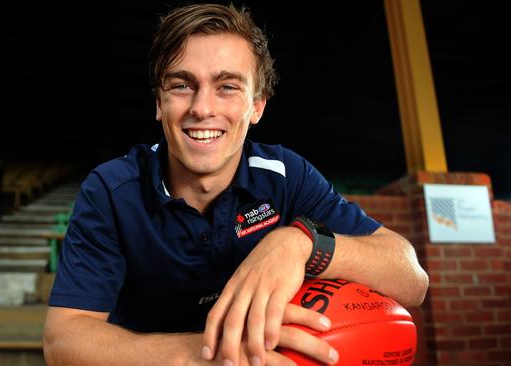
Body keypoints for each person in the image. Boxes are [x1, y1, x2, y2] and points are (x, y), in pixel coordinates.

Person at [43, 3, 429, 366]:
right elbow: (63, 340)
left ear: (257, 105)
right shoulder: (112, 189)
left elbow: (412, 280)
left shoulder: (285, 174)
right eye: (181, 85)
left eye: (227, 86)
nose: (202, 108)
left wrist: (300, 244)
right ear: (159, 103)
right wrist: (212, 351)